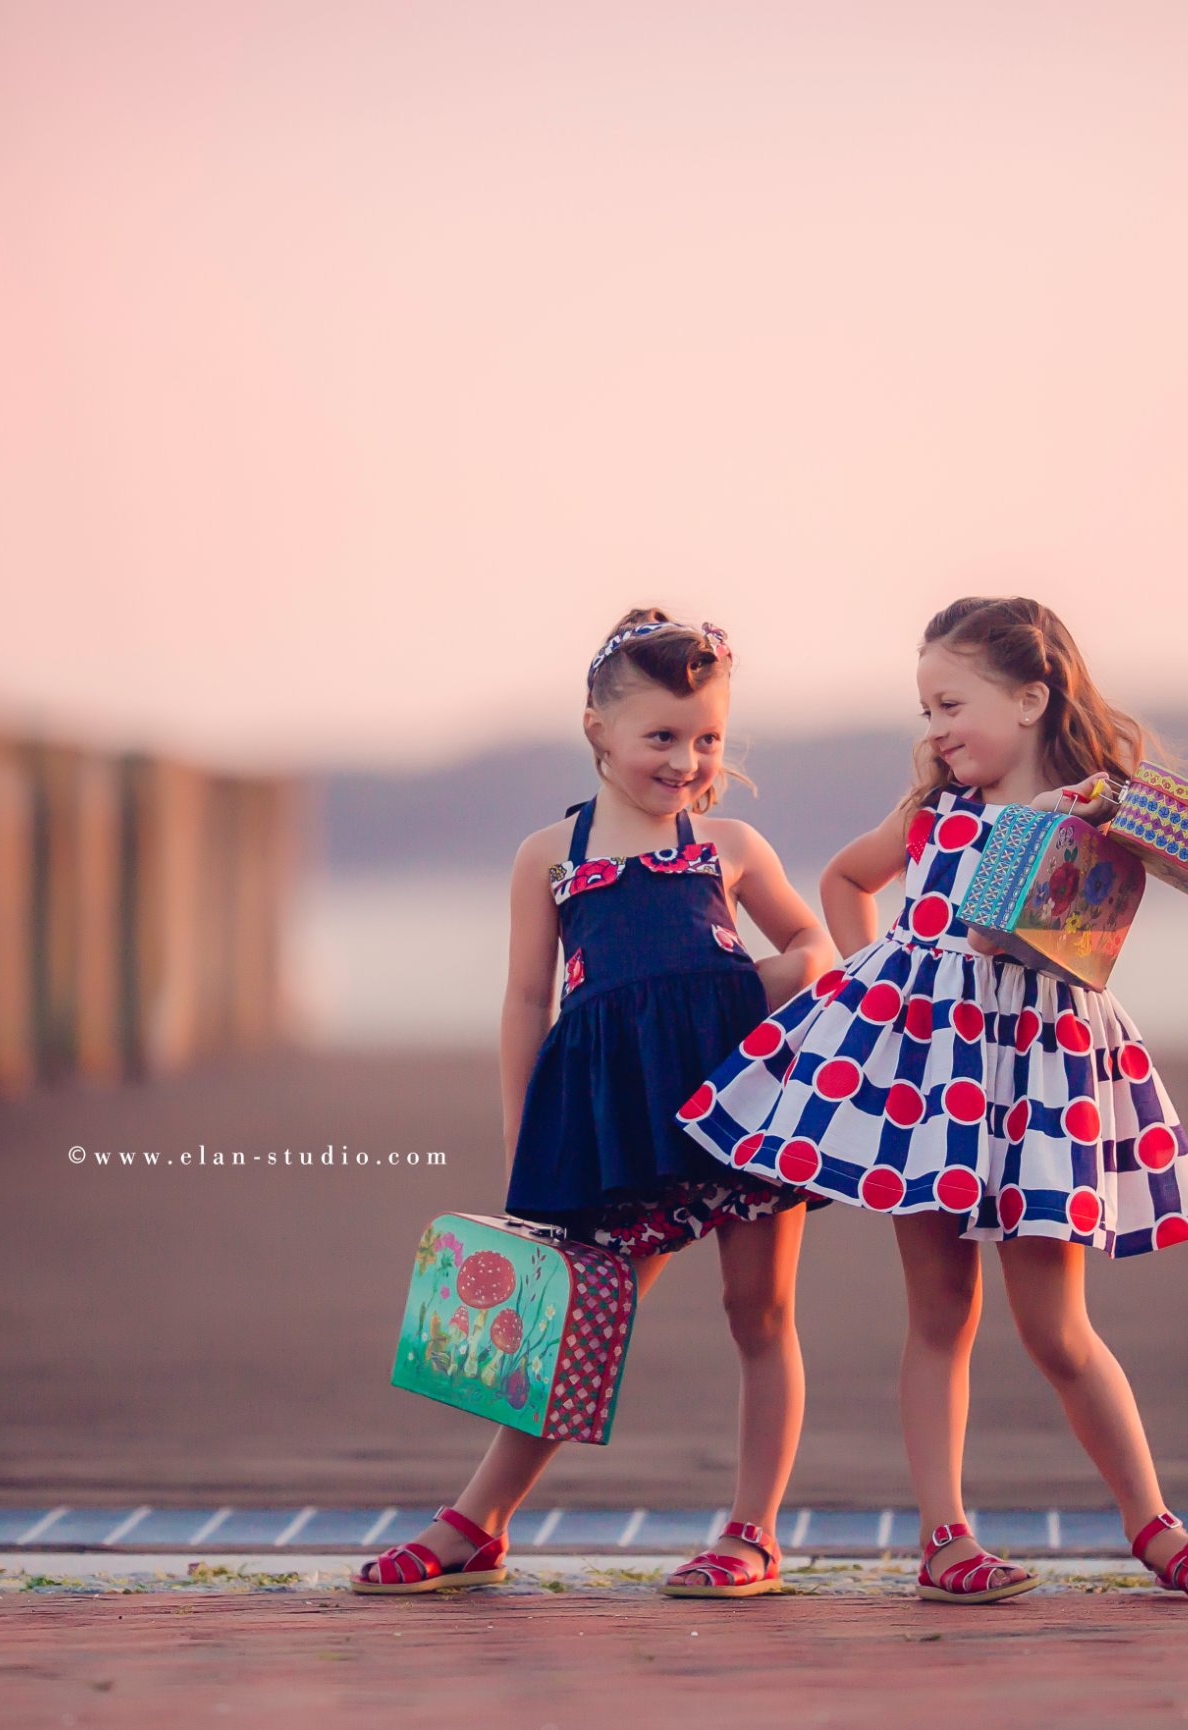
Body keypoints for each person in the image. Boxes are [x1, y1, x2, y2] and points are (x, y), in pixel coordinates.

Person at [676, 596, 1188, 1604]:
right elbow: (848, 879)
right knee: (940, 1311)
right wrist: (880, 987)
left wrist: (1104, 817)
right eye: (925, 706)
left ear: (1031, 696)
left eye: (951, 701)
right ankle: (947, 1538)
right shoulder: (933, 812)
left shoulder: (1102, 809)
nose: (934, 726)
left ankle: (1156, 1527)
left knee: (1056, 1328)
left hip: (1039, 1081)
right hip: (931, 1087)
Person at [356, 609, 835, 1599]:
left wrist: (767, 977)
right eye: (662, 735)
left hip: (743, 1106)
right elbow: (528, 996)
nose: (686, 760)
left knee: (762, 1312)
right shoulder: (551, 854)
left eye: (706, 738)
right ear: (598, 732)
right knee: (571, 1313)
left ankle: (751, 1531)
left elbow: (816, 950)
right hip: (621, 1117)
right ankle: (476, 1520)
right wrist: (523, 1126)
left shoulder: (727, 843)